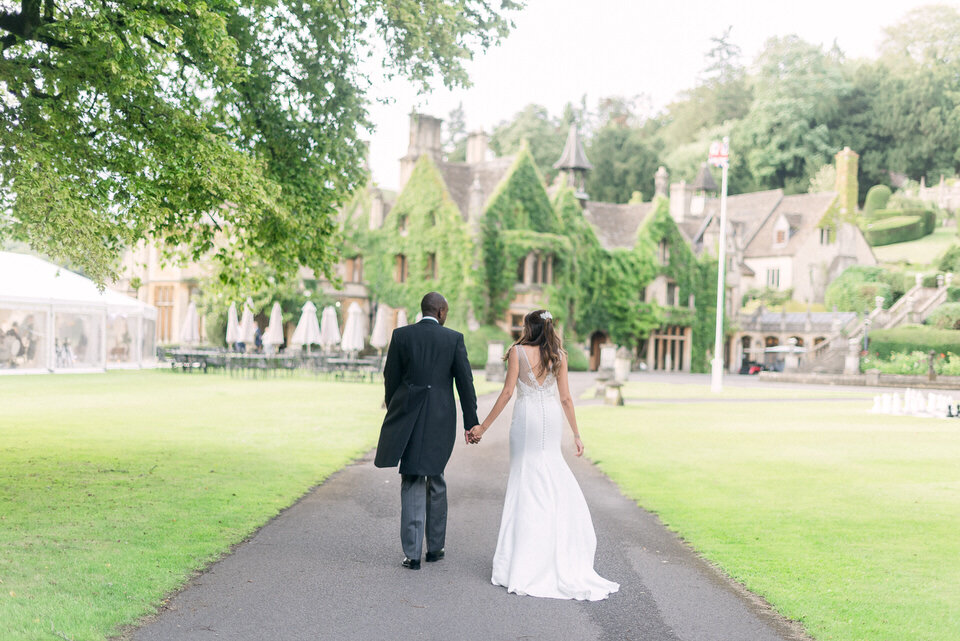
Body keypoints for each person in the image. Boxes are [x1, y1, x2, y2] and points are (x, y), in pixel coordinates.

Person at [468, 310, 619, 600]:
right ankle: (554, 549)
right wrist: (576, 434)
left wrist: (483, 427)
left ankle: (523, 560)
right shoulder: (558, 355)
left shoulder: (517, 352)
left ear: (530, 327)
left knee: (525, 479)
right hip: (550, 418)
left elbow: (508, 392)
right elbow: (565, 398)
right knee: (550, 469)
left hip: (526, 419)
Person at [374, 292, 479, 570]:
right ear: (442, 311)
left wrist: (395, 408)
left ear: (423, 310)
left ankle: (412, 554)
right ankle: (436, 547)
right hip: (441, 419)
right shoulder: (453, 339)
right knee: (436, 476)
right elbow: (465, 383)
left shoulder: (401, 336)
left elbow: (391, 378)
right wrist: (471, 422)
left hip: (408, 416)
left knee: (411, 478)